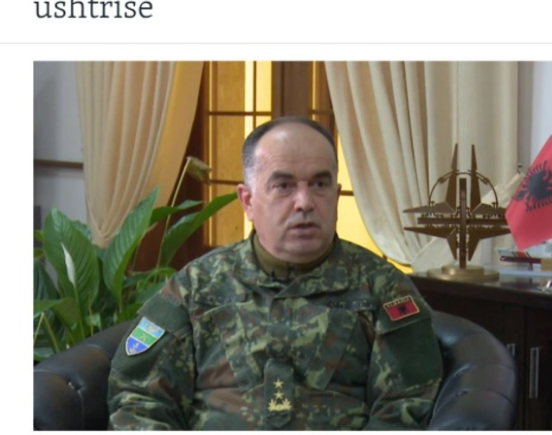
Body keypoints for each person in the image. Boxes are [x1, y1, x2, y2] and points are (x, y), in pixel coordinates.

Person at [108, 116, 443, 430]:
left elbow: (406, 407)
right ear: (248, 201)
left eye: (319, 184)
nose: (304, 202)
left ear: (336, 195)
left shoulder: (383, 288)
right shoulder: (196, 286)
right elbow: (138, 398)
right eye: (283, 186)